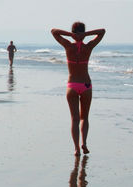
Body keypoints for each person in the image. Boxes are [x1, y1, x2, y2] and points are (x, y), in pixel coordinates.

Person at [51, 22, 105, 156]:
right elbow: (102, 31)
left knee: (74, 119)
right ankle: (84, 144)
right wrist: (84, 35)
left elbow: (53, 31)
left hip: (72, 85)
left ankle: (76, 148)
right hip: (86, 85)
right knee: (84, 118)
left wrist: (72, 35)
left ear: (73, 32)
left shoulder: (68, 46)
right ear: (83, 32)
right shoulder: (88, 47)